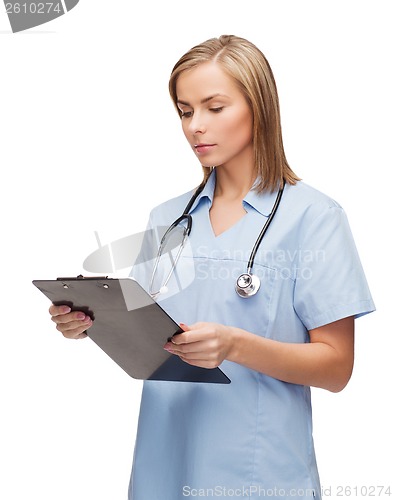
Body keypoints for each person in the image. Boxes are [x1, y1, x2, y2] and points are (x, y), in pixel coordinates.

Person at [49, 35, 375, 499]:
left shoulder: (314, 218)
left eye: (214, 108)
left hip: (257, 471)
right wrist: (90, 321)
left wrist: (234, 344)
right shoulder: (167, 219)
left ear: (258, 108)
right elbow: (147, 332)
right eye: (185, 111)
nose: (195, 127)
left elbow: (337, 368)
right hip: (164, 460)